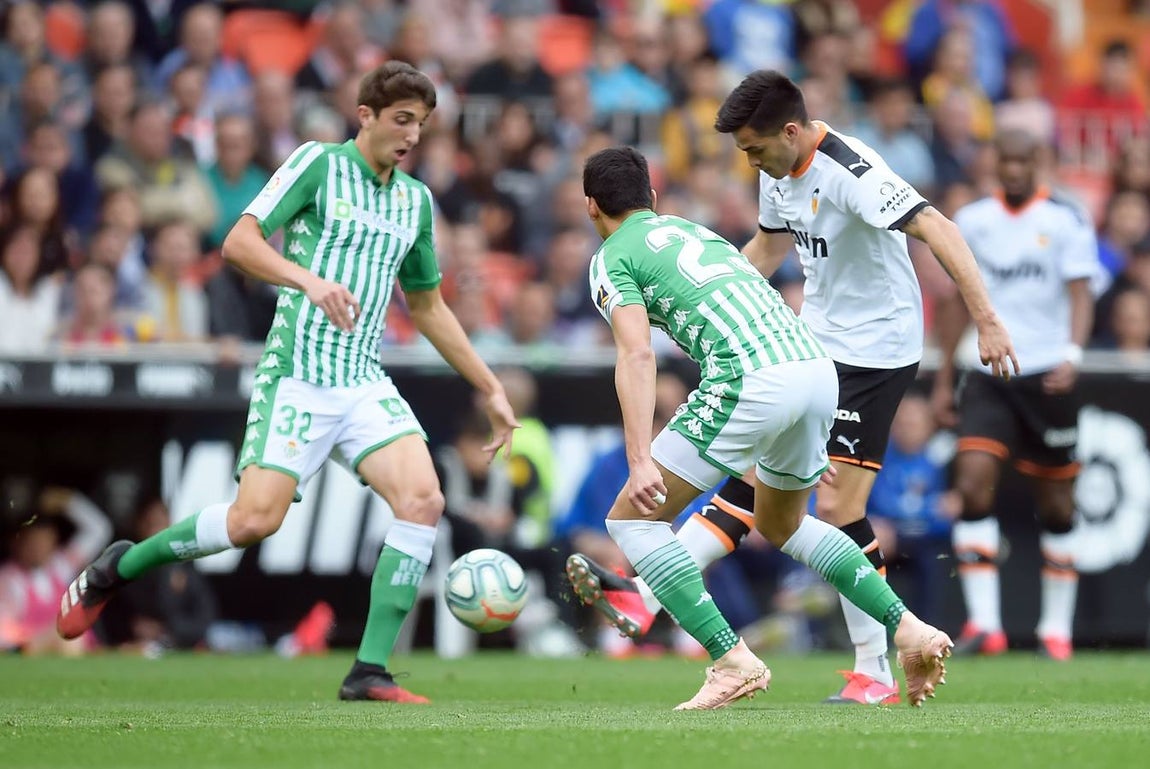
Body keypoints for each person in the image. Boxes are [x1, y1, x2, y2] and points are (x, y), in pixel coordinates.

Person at [56, 62, 519, 704]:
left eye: (422, 123)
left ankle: (369, 671)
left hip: (361, 379)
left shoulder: (415, 202)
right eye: (402, 119)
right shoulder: (317, 165)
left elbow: (429, 306)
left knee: (424, 501)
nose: (413, 135)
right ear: (366, 116)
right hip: (297, 375)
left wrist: (489, 386)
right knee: (252, 523)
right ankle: (119, 566)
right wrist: (308, 279)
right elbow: (237, 243)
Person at [570, 70, 1015, 706]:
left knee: (829, 509)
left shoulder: (851, 169)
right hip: (810, 345)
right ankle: (650, 598)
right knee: (769, 506)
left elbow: (940, 227)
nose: (750, 161)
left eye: (754, 148)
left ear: (790, 130)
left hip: (876, 351)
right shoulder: (770, 176)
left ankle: (872, 671)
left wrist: (987, 321)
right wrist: (713, 303)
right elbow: (763, 252)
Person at [932, 130, 1099, 661]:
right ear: (995, 164)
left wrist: (1072, 353)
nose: (1014, 168)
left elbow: (1080, 293)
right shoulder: (975, 221)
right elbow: (959, 300)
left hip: (1048, 372)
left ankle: (1056, 629)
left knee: (1056, 505)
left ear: (1040, 163)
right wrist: (942, 378)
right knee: (974, 481)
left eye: (1024, 159)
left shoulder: (1065, 222)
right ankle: (985, 624)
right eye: (1006, 159)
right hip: (987, 371)